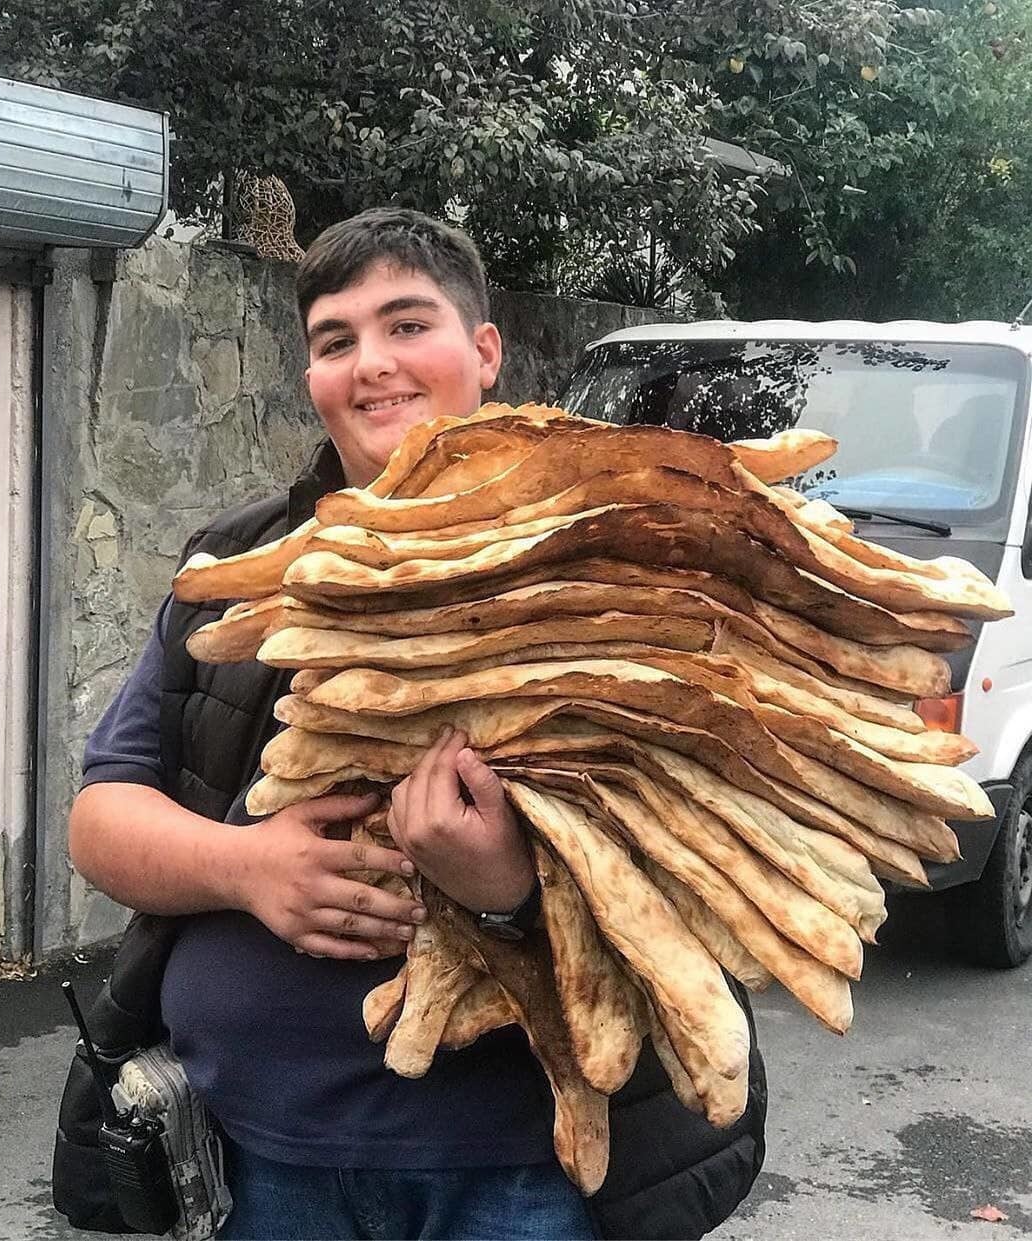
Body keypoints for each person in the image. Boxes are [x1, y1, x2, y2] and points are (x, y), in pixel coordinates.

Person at [66, 208, 765, 1241]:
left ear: (485, 351)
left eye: (406, 325)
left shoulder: (615, 561)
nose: (371, 364)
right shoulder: (236, 570)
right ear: (309, 376)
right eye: (334, 341)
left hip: (517, 1172)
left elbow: (719, 871)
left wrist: (510, 897)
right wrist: (247, 867)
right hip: (257, 1154)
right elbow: (100, 818)